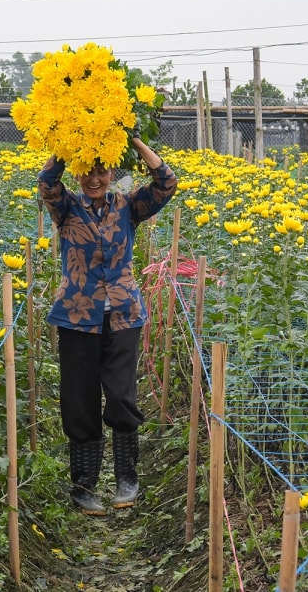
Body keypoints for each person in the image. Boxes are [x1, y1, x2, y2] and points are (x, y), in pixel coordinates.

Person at [38, 135, 178, 515]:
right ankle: (83, 485)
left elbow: (167, 183)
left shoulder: (128, 206)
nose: (95, 179)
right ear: (79, 173)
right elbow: (47, 182)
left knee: (120, 395)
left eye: (101, 171)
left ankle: (126, 479)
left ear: (113, 172)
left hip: (123, 314)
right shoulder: (66, 208)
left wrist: (132, 141)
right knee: (78, 400)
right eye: (88, 172)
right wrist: (70, 140)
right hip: (77, 316)